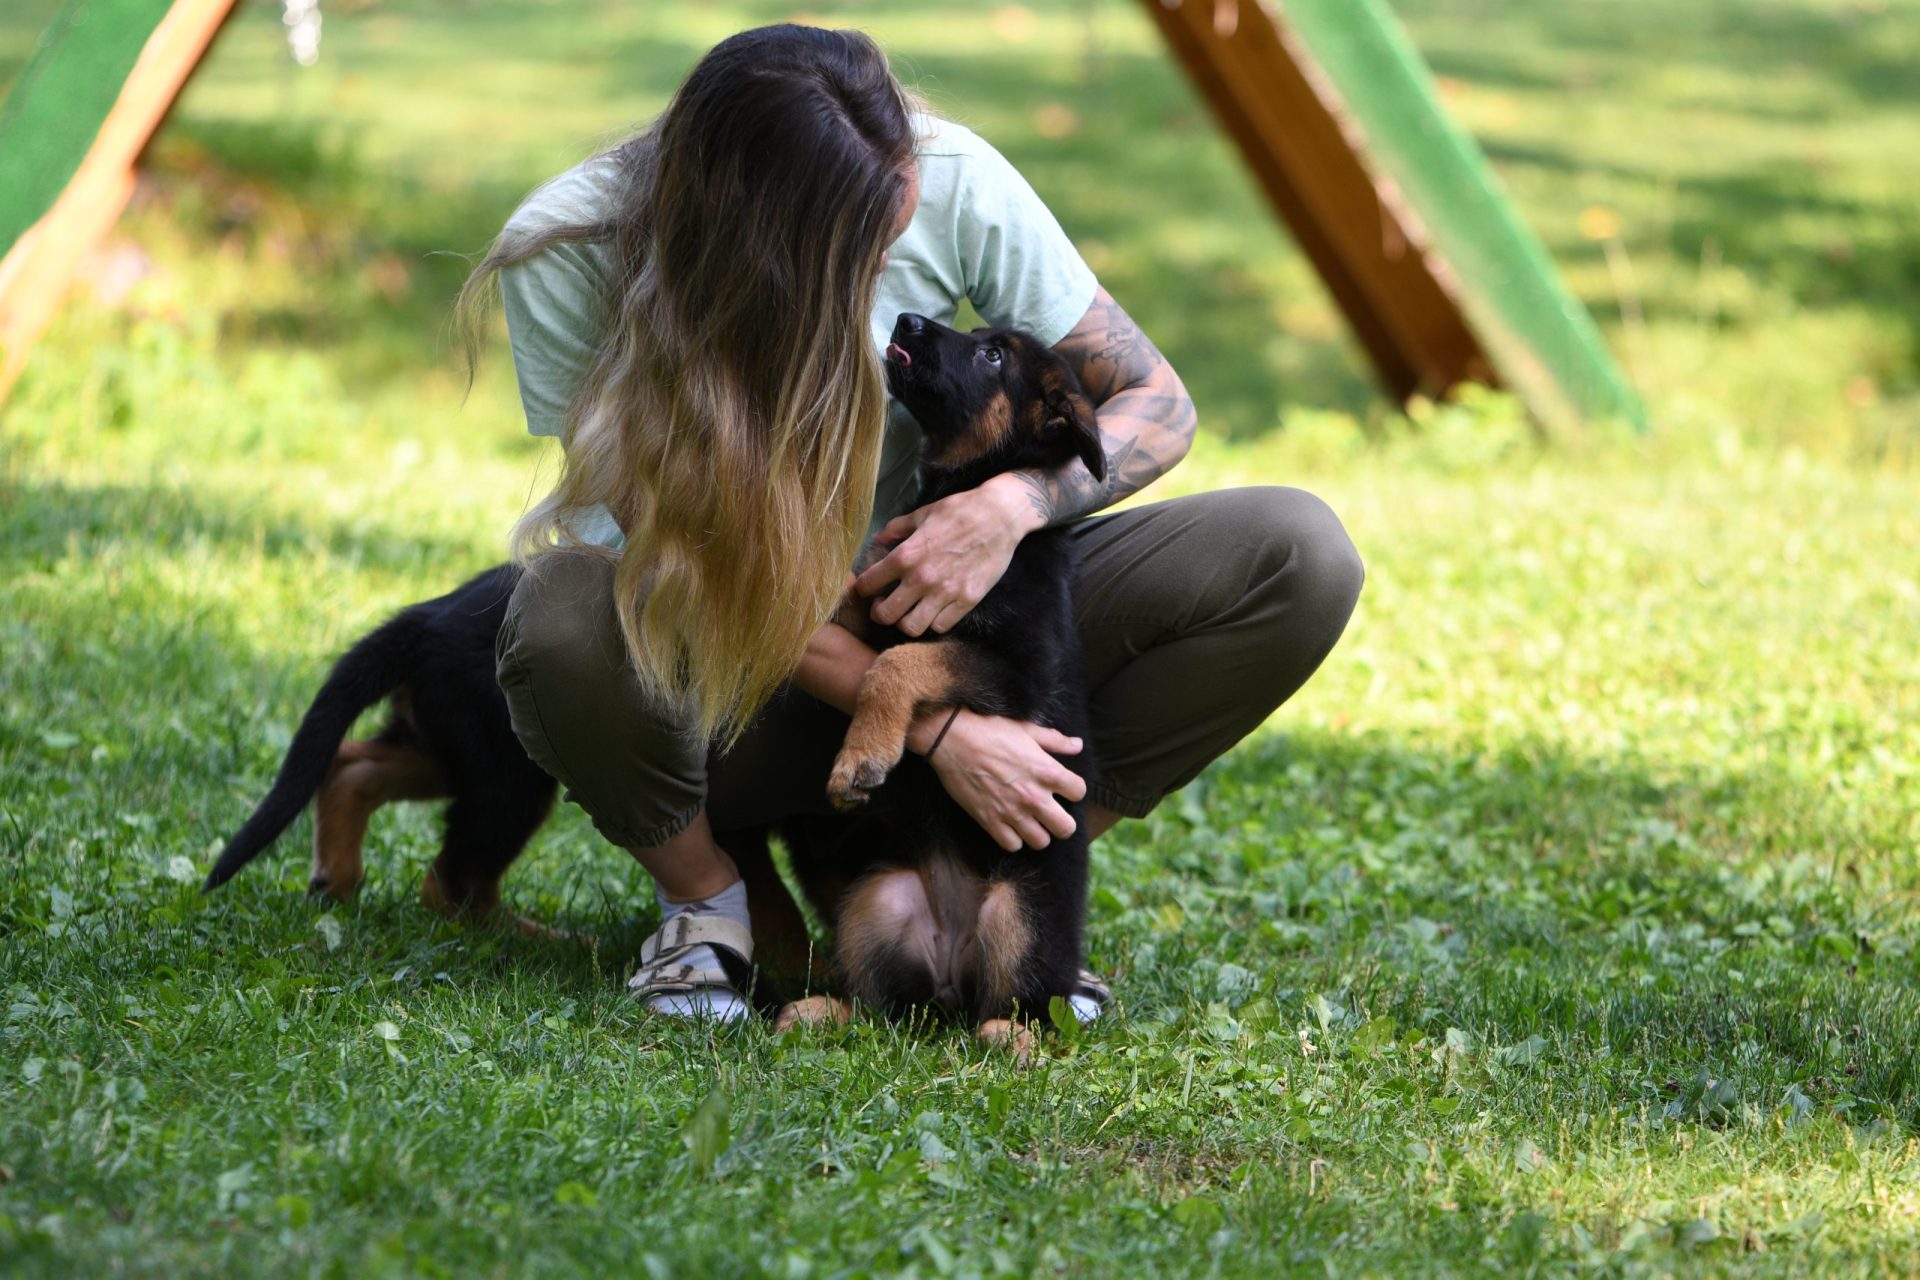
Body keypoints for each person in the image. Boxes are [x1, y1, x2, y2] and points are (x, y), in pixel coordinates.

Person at [463, 24, 1363, 1021]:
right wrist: (936, 727)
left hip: (954, 634)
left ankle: (1007, 890)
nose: (898, 246)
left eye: (904, 210)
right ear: (762, 235)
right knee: (562, 611)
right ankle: (709, 907)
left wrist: (1009, 506)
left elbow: (1159, 400)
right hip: (738, 692)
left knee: (1296, 555)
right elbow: (680, 566)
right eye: (870, 241)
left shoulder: (954, 179)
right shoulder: (572, 250)